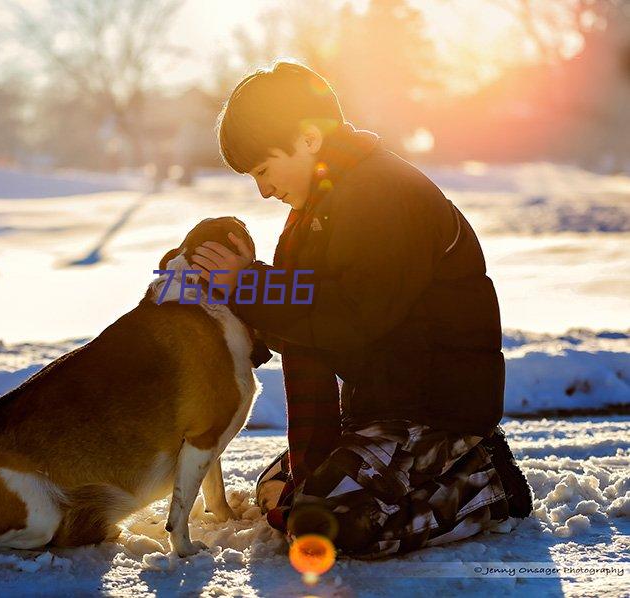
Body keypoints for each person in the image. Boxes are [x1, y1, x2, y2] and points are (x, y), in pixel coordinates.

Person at [192, 61, 532, 558]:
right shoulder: (327, 204)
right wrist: (240, 290)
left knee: (323, 527)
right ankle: (410, 472)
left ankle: (487, 483)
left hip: (434, 411)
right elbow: (310, 321)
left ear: (309, 138)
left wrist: (251, 284)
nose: (263, 190)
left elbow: (350, 318)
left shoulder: (380, 195)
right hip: (382, 406)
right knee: (276, 490)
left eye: (263, 170)